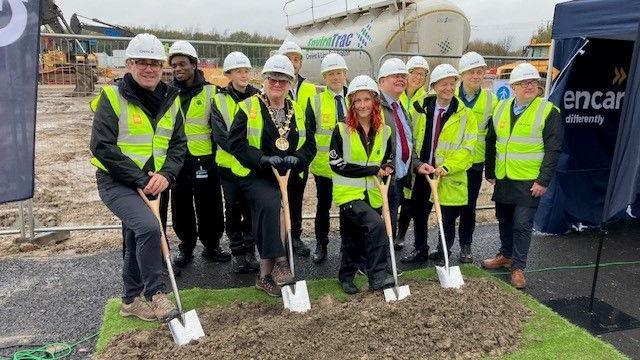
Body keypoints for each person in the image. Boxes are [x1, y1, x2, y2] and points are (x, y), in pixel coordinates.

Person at [89, 33, 184, 321]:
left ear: (162, 67)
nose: (149, 69)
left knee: (135, 236)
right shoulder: (112, 96)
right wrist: (141, 178)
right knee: (148, 227)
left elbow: (179, 145)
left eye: (154, 63)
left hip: (154, 181)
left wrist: (167, 174)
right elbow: (102, 147)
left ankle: (130, 300)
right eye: (141, 62)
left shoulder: (171, 99)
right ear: (128, 64)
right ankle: (156, 293)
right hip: (116, 181)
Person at [228, 54, 316, 296]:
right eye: (272, 80)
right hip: (255, 174)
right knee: (269, 205)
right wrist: (261, 159)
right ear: (264, 80)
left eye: (283, 81)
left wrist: (298, 158)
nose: (277, 85)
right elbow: (235, 143)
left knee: (278, 217)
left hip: (288, 173)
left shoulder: (297, 110)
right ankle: (280, 260)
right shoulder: (248, 107)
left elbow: (310, 145)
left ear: (290, 83)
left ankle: (263, 276)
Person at [483, 62, 562, 289]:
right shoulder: (500, 108)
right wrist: (491, 171)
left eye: (533, 82)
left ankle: (518, 268)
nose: (529, 86)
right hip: (504, 178)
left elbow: (553, 149)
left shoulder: (548, 111)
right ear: (513, 86)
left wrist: (543, 180)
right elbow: (491, 142)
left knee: (522, 224)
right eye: (523, 83)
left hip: (530, 181)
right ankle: (505, 255)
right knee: (504, 219)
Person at [402, 64, 477, 264]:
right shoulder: (421, 109)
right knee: (419, 213)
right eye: (444, 84)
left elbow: (468, 149)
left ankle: (444, 250)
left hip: (448, 175)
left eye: (452, 84)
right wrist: (418, 164)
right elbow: (412, 139)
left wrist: (447, 167)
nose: (449, 88)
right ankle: (420, 249)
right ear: (434, 86)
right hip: (424, 172)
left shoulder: (465, 115)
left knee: (447, 217)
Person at [329, 75, 395, 294]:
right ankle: (377, 277)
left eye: (366, 99)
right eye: (357, 101)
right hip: (349, 194)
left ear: (374, 101)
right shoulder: (341, 130)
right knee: (377, 225)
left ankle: (346, 276)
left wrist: (387, 167)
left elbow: (387, 157)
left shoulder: (384, 131)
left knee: (354, 238)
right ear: (351, 104)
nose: (362, 105)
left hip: (373, 193)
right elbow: (337, 164)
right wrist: (371, 170)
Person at [166, 40, 229, 268]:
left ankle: (212, 245)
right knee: (181, 205)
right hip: (178, 161)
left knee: (210, 204)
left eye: (182, 63)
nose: (177, 69)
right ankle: (186, 247)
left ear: (194, 64)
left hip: (206, 161)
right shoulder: (168, 94)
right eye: (174, 65)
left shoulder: (212, 92)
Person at [211, 51, 261, 273]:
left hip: (251, 167)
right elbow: (221, 135)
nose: (243, 75)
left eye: (246, 70)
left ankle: (250, 250)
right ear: (229, 74)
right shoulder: (219, 100)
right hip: (228, 166)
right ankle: (238, 252)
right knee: (232, 209)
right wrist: (243, 152)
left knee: (251, 209)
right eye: (238, 71)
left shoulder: (259, 98)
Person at [454, 51, 498, 263]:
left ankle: (465, 245)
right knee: (447, 206)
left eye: (480, 72)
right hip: (451, 162)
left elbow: (493, 136)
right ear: (462, 74)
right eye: (471, 72)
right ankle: (441, 244)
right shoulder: (448, 93)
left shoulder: (492, 100)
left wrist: (491, 168)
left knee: (469, 206)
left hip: (474, 162)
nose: (476, 76)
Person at [308, 53, 348, 264]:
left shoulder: (354, 98)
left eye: (338, 73)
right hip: (324, 167)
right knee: (323, 207)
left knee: (347, 209)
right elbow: (308, 133)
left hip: (348, 167)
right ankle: (321, 245)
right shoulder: (315, 101)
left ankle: (345, 247)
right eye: (330, 74)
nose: (335, 77)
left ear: (345, 75)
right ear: (324, 77)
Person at [278, 40, 318, 256]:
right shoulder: (274, 84)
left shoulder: (310, 88)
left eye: (296, 59)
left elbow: (312, 122)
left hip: (300, 153)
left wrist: (304, 154)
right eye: (289, 58)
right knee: (276, 199)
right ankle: (279, 238)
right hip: (278, 153)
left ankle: (295, 236)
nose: (293, 63)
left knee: (295, 197)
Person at [377, 58, 413, 250]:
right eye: (395, 76)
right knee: (380, 220)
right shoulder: (376, 107)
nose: (400, 79)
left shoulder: (400, 107)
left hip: (399, 176)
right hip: (382, 177)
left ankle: (384, 260)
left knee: (391, 217)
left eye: (403, 76)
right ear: (382, 81)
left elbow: (406, 141)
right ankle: (374, 264)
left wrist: (415, 165)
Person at [396, 55, 430, 249]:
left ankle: (401, 234)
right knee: (395, 195)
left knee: (409, 198)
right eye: (414, 73)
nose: (417, 77)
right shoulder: (396, 95)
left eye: (422, 74)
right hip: (398, 153)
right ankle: (389, 232)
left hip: (415, 156)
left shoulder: (426, 99)